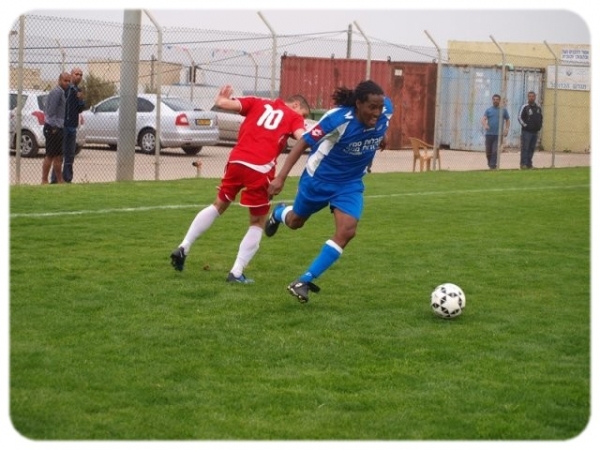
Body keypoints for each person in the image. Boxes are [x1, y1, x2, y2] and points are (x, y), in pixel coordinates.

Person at [264, 80, 393, 303]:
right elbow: (302, 143)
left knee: (347, 231)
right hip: (319, 180)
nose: (377, 112)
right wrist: (281, 177)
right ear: (358, 104)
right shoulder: (338, 119)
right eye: (372, 107)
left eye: (379, 108)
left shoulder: (385, 110)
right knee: (295, 222)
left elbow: (382, 124)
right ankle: (279, 213)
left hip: (350, 183)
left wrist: (381, 136)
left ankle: (304, 280)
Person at [170, 85, 311, 283]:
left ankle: (184, 246)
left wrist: (221, 99)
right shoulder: (293, 116)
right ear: (296, 104)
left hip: (236, 161)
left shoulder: (257, 102)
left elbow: (223, 103)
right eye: (303, 114)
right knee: (257, 222)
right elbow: (303, 138)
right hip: (260, 168)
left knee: (218, 205)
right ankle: (236, 272)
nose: (302, 118)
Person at [51, 67, 85, 183]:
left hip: (72, 126)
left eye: (80, 75)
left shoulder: (78, 90)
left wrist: (81, 100)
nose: (79, 76)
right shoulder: (65, 89)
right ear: (71, 75)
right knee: (60, 153)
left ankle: (67, 178)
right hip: (63, 126)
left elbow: (80, 109)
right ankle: (55, 179)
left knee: (70, 154)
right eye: (76, 74)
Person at [42, 72, 71, 184]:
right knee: (50, 155)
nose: (67, 83)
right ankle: (44, 180)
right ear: (59, 80)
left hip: (58, 128)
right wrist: (53, 127)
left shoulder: (62, 92)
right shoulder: (57, 92)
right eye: (65, 80)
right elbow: (50, 111)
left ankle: (60, 180)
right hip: (53, 128)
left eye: (69, 81)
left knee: (58, 156)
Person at [481, 94, 510, 170]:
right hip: (489, 134)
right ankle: (490, 163)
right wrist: (485, 125)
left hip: (498, 135)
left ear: (499, 101)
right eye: (494, 99)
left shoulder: (503, 110)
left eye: (497, 99)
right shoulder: (489, 110)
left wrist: (506, 129)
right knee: (488, 151)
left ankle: (493, 165)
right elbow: (483, 119)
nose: (495, 101)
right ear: (492, 100)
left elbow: (507, 120)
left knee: (495, 150)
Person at [518, 91, 543, 169]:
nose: (531, 98)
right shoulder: (525, 107)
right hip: (526, 132)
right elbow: (519, 117)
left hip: (535, 132)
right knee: (525, 148)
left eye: (533, 96)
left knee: (532, 148)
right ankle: (523, 164)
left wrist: (539, 126)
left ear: (535, 97)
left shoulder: (538, 107)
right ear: (528, 97)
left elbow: (541, 118)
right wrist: (526, 125)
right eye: (530, 96)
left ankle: (529, 164)